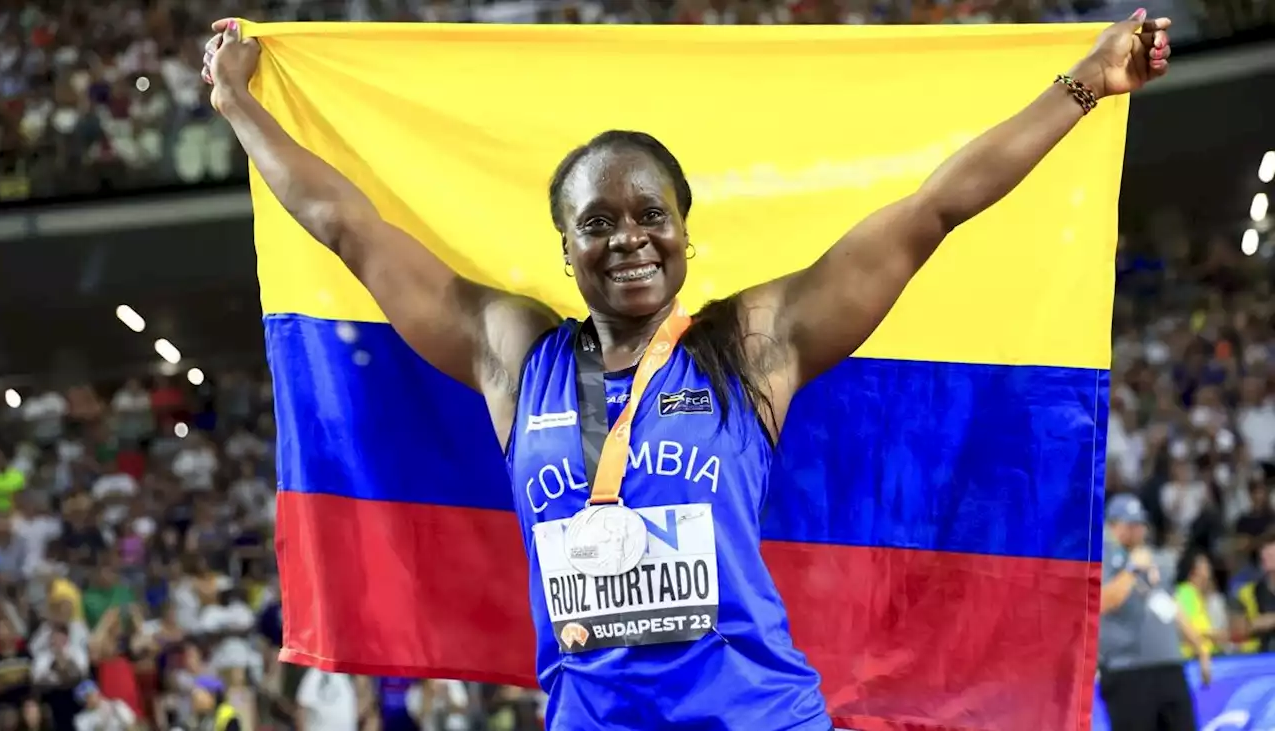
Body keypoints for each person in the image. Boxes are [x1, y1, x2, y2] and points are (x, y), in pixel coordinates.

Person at [203, 13, 1172, 730]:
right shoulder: (513, 353)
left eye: (647, 214)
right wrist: (237, 102)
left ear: (681, 233)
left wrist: (1084, 84)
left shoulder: (751, 343)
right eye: (598, 221)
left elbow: (930, 213)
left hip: (757, 714)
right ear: (564, 246)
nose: (627, 237)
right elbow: (347, 227)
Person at [1099, 495, 1212, 731]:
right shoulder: (1101, 558)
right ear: (1112, 525)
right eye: (1130, 525)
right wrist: (1131, 570)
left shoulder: (1154, 559)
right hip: (1127, 671)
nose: (1137, 530)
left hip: (1169, 666)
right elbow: (1102, 602)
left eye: (1140, 524)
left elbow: (1170, 605)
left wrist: (1199, 647)